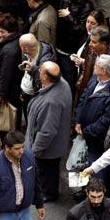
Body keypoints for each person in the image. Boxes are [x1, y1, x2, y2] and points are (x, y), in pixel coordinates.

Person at [25, 61, 72, 202]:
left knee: (47, 172)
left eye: (40, 71)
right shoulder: (62, 83)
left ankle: (48, 194)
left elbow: (47, 132)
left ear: (45, 78)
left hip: (48, 149)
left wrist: (35, 151)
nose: (38, 71)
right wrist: (33, 70)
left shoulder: (51, 102)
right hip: (56, 144)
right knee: (51, 170)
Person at [45, 0, 92, 94]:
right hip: (57, 47)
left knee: (68, 85)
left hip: (70, 53)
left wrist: (69, 17)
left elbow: (83, 31)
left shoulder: (86, 6)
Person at [75, 54, 110, 165]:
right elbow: (83, 97)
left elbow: (107, 119)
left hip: (97, 139)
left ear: (103, 70)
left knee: (93, 166)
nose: (93, 67)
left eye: (96, 66)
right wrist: (78, 120)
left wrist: (86, 131)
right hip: (84, 131)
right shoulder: (96, 78)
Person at [0, 15, 23, 120]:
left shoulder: (9, 50)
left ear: (7, 32)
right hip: (8, 88)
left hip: (7, 92)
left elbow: (6, 73)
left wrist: (0, 94)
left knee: (4, 120)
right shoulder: (9, 42)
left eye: (0, 30)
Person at [19, 33, 56, 125]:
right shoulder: (28, 51)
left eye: (21, 47)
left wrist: (34, 70)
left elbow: (44, 82)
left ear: (26, 48)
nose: (21, 49)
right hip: (26, 92)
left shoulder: (46, 60)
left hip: (35, 96)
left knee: (34, 122)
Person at [70, 11, 107, 101]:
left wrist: (83, 61)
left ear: (100, 25)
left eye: (92, 23)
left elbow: (98, 64)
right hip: (81, 77)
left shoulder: (100, 44)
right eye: (87, 22)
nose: (88, 25)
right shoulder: (86, 35)